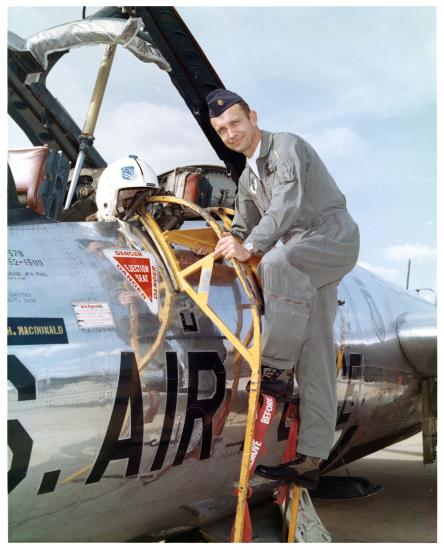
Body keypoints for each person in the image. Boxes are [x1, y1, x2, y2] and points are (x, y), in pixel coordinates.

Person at [207, 88, 360, 489]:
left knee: (275, 260)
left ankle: (275, 365)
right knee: (317, 351)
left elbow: (286, 206)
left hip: (331, 238)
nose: (230, 133)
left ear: (253, 117)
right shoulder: (247, 180)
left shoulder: (285, 147)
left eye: (235, 123)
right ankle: (311, 458)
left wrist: (252, 247)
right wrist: (221, 245)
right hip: (304, 256)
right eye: (222, 130)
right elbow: (240, 224)